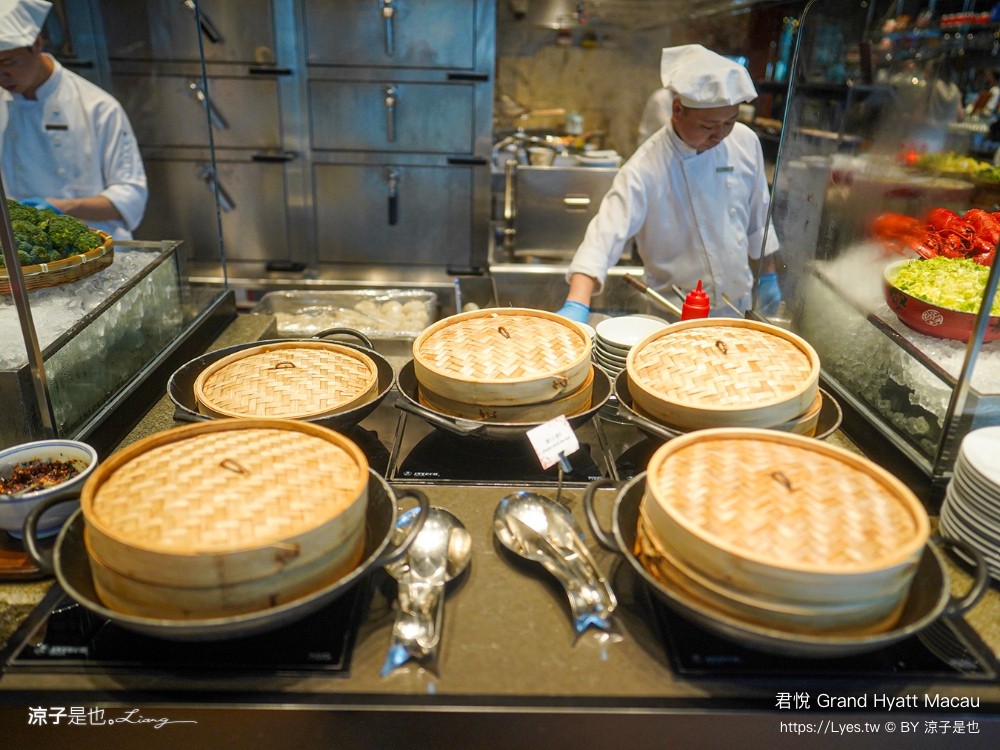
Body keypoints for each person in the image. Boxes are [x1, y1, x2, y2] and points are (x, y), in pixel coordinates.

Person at [556, 45, 780, 323]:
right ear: (677, 110)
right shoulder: (645, 167)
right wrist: (577, 303)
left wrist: (768, 276)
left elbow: (759, 216)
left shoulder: (745, 142)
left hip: (736, 308)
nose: (720, 135)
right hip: (672, 315)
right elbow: (603, 237)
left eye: (729, 122)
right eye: (708, 126)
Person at [0, 0, 146, 240]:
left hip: (97, 249)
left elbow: (131, 195)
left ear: (36, 44)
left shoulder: (97, 107)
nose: (2, 75)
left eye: (8, 62)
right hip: (22, 253)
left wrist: (63, 207)